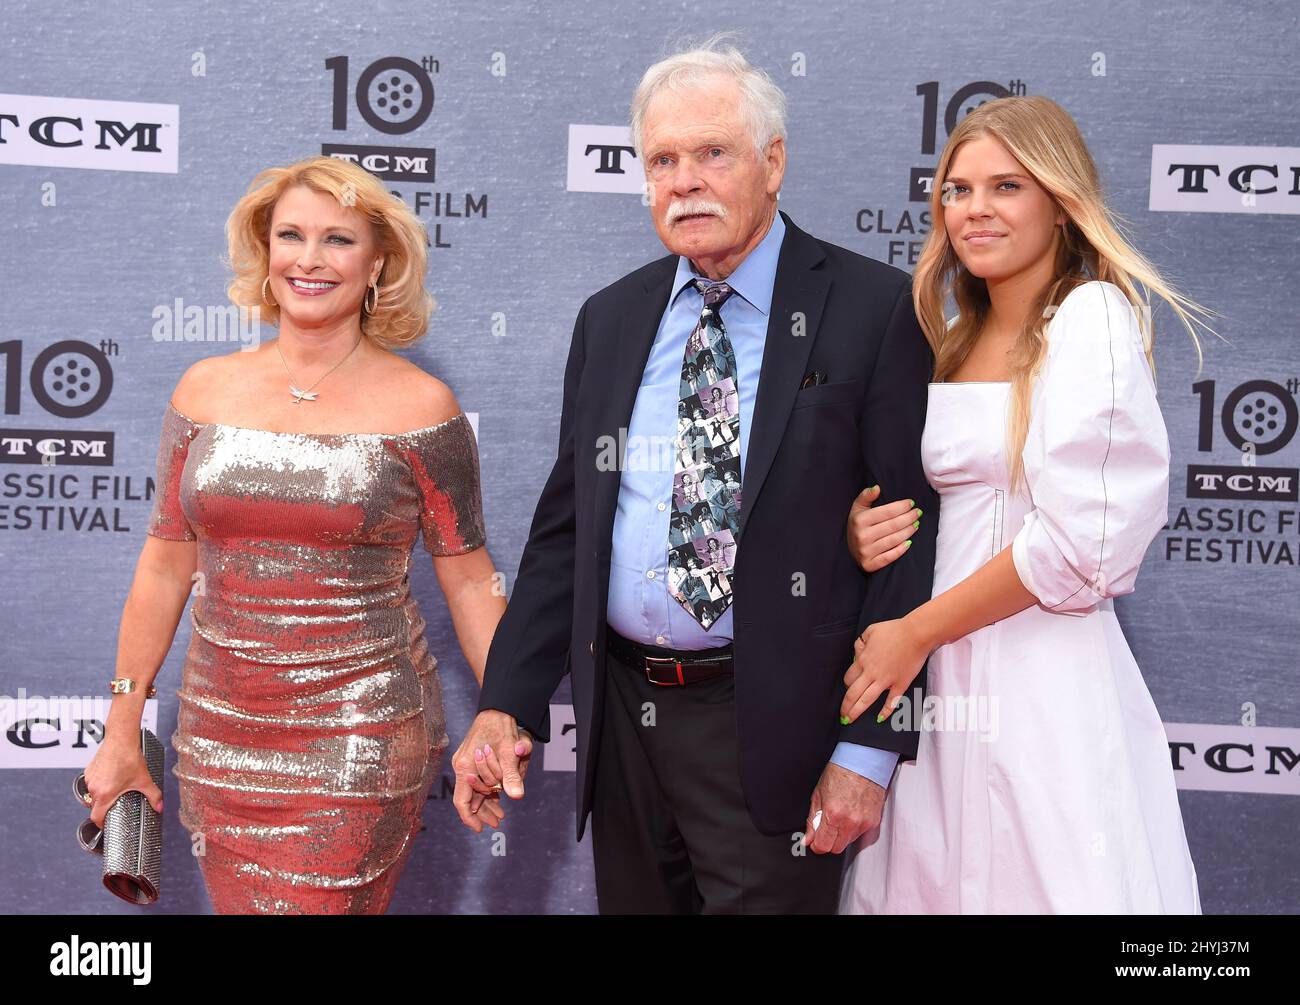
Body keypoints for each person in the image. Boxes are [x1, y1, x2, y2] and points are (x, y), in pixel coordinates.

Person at [450, 36, 937, 914]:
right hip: (624, 723)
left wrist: (869, 751)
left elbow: (909, 541)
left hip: (777, 724)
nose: (684, 180)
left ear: (772, 161)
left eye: (712, 152)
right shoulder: (612, 317)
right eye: (662, 159)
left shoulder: (873, 309)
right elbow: (567, 535)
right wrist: (506, 705)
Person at [82, 155, 505, 914]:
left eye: (338, 239)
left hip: (360, 735)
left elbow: (471, 580)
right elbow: (162, 567)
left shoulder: (422, 405)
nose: (309, 259)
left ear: (378, 262)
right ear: (264, 249)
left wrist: (505, 708)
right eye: (291, 236)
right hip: (219, 734)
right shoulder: (203, 391)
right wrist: (122, 723)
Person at [838, 95, 1209, 913]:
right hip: (943, 689)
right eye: (957, 189)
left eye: (1006, 186)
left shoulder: (1093, 320)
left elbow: (1083, 544)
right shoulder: (952, 340)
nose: (974, 209)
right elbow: (953, 511)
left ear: (1059, 199)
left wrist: (916, 631)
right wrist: (866, 534)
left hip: (1046, 680)